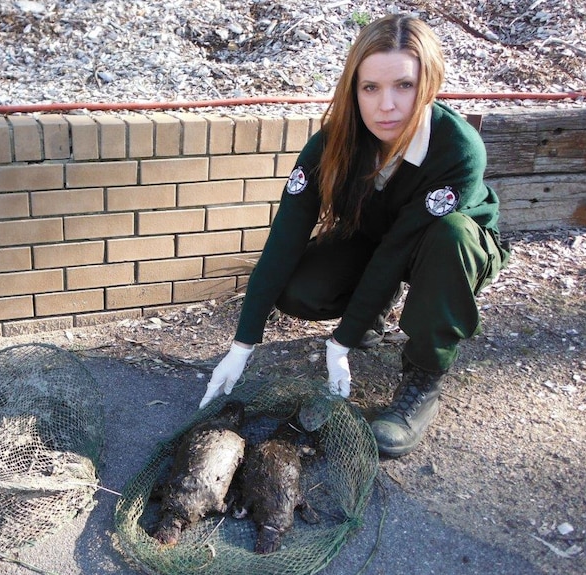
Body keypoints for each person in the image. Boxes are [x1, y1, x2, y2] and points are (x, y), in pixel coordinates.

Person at [198, 13, 510, 458]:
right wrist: (242, 345)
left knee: (449, 235)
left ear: (429, 83)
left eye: (404, 85)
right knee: (300, 289)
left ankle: (423, 377)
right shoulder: (335, 142)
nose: (387, 106)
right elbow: (284, 238)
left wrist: (340, 341)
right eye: (371, 88)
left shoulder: (457, 148)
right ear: (354, 88)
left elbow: (401, 247)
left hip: (450, 246)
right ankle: (372, 319)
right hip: (376, 235)